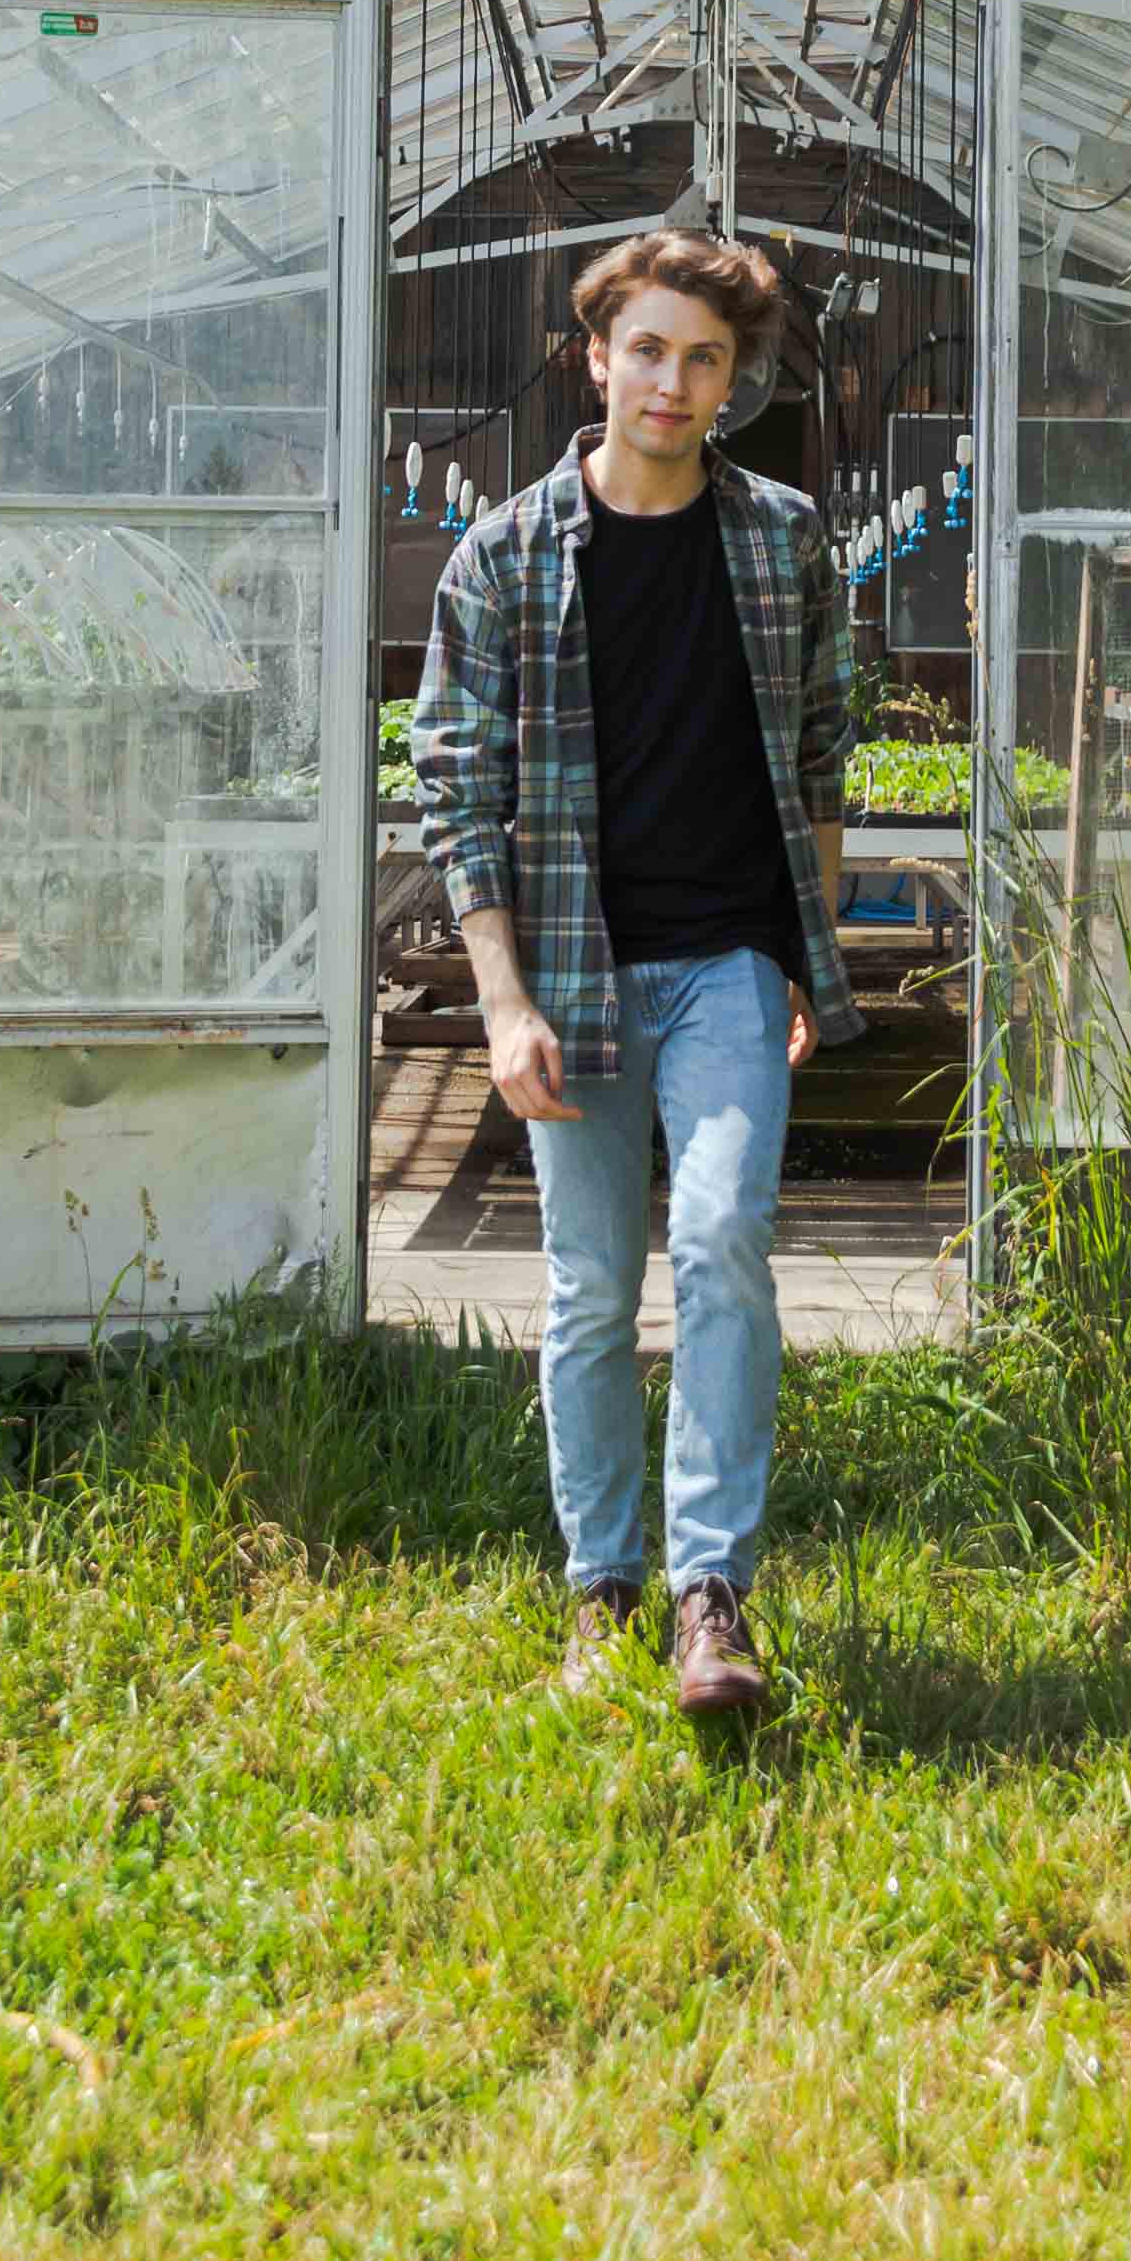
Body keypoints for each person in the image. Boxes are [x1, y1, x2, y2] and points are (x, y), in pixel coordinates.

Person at [408, 226, 855, 1724]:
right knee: (592, 1292)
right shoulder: (505, 559)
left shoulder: (784, 539)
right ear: (595, 358)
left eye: (706, 357)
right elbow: (457, 794)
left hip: (727, 962)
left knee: (724, 1238)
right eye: (648, 349)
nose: (674, 381)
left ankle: (708, 1594)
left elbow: (820, 755)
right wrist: (503, 1000)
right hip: (577, 978)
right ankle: (603, 1585)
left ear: (737, 381)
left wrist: (808, 949)